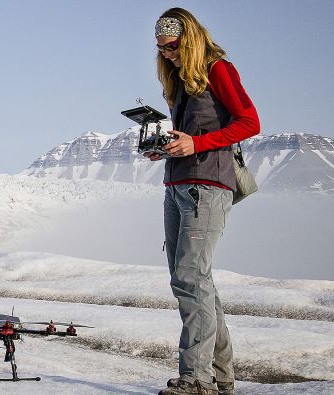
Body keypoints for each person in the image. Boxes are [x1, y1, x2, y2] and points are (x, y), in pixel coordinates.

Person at [146, 8, 260, 395]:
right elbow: (190, 135)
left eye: (172, 46)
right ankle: (221, 378)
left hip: (207, 185)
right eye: (161, 49)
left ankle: (197, 380)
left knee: (190, 279)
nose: (167, 54)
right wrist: (167, 147)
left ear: (189, 38)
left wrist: (197, 143)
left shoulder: (218, 68)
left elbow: (249, 121)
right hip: (177, 184)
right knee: (197, 282)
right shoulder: (181, 79)